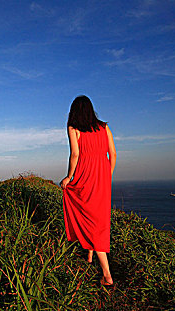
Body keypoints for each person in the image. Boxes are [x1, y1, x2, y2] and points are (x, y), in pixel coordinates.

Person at [60, 95, 117, 286]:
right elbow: (113, 153)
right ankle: (90, 254)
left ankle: (107, 275)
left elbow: (75, 154)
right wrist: (107, 175)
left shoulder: (73, 129)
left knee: (88, 215)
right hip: (103, 177)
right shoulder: (104, 127)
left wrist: (69, 177)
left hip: (86, 176)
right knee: (98, 217)